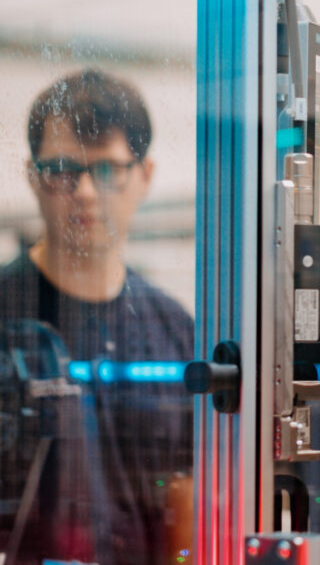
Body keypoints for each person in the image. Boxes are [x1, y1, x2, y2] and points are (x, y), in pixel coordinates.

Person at [0, 70, 193, 565]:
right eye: (62, 169)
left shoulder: (176, 332)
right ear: (33, 177)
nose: (84, 191)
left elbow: (186, 503)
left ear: (144, 175)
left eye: (106, 170)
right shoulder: (6, 316)